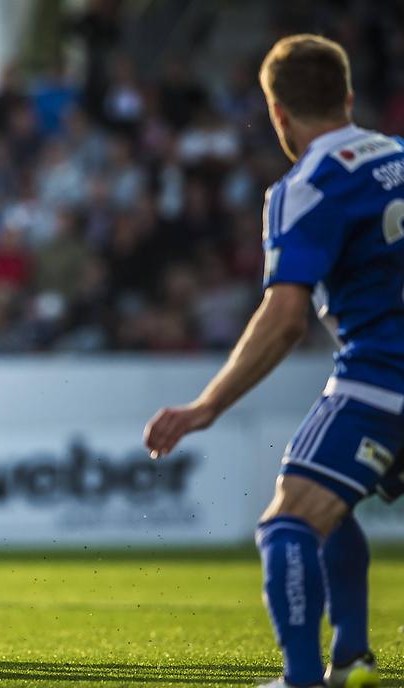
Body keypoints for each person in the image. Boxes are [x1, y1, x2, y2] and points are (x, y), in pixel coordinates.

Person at [143, 34, 401, 688]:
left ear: (278, 113)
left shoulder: (307, 185)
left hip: (383, 376)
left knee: (289, 523)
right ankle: (351, 656)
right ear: (347, 97)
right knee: (329, 503)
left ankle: (303, 679)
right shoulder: (398, 155)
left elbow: (285, 318)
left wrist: (206, 406)